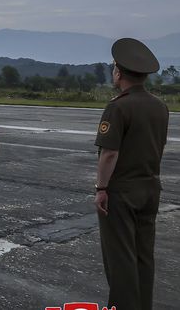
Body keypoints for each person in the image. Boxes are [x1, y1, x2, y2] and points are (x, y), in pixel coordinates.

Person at [94, 38, 168, 310]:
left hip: (122, 191)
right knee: (143, 256)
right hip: (150, 188)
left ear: (119, 72)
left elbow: (109, 153)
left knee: (121, 257)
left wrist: (101, 188)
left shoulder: (118, 106)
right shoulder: (159, 106)